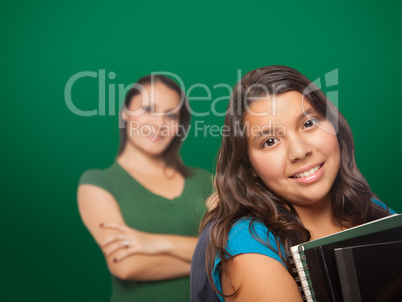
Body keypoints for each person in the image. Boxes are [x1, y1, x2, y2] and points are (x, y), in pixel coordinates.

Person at [192, 65, 396, 302]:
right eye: (270, 141)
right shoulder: (247, 241)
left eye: (309, 123)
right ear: (249, 167)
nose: (299, 151)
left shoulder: (370, 209)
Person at [78, 74, 213, 302]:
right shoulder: (99, 182)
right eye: (148, 109)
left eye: (170, 115)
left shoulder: (204, 180)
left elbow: (228, 244)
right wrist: (210, 261)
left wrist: (154, 243)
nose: (159, 124)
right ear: (125, 113)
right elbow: (126, 265)